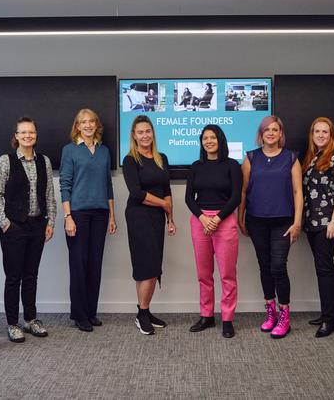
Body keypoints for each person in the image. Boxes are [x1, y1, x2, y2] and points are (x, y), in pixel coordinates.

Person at [238, 115, 303, 339]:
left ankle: (285, 316)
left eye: (275, 130)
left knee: (278, 266)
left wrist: (297, 222)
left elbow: (298, 192)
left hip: (283, 221)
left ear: (280, 134)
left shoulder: (291, 158)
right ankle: (271, 313)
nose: (271, 133)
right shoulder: (251, 158)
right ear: (261, 134)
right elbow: (244, 191)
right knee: (264, 266)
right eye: (267, 130)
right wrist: (240, 217)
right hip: (256, 220)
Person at [0, 117, 56, 343]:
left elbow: (48, 194)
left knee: (31, 275)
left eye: (31, 132)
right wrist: (4, 222)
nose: (28, 136)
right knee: (13, 277)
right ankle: (12, 323)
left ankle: (30, 319)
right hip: (14, 226)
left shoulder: (44, 161)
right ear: (16, 136)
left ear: (35, 135)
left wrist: (51, 221)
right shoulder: (5, 161)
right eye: (23, 132)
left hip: (37, 225)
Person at [59, 109, 116, 332]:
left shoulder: (104, 151)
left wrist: (111, 216)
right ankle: (79, 315)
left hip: (100, 214)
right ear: (78, 126)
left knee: (95, 265)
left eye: (92, 121)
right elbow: (65, 184)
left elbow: (108, 185)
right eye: (84, 122)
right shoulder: (70, 150)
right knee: (79, 265)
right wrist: (68, 217)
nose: (88, 125)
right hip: (78, 215)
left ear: (96, 125)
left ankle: (91, 312)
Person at [185, 125, 242, 338]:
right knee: (203, 274)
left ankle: (227, 319)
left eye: (212, 137)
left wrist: (217, 219)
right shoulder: (195, 167)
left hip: (224, 221)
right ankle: (206, 316)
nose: (209, 141)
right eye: (205, 138)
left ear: (220, 140)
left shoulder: (232, 165)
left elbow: (235, 197)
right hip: (200, 221)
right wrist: (203, 218)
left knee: (227, 274)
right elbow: (189, 198)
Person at [122, 115, 176, 335]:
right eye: (140, 132)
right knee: (147, 267)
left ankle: (144, 311)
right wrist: (163, 203)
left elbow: (167, 190)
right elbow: (137, 193)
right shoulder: (130, 160)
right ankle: (142, 314)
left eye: (148, 131)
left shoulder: (161, 158)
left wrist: (170, 219)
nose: (145, 135)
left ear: (153, 133)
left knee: (152, 266)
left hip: (156, 218)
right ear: (134, 136)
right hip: (138, 216)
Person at [302, 117, 334, 338]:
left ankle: (329, 320)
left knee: (325, 269)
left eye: (325, 132)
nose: (321, 135)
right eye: (317, 131)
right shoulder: (313, 158)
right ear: (312, 135)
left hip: (327, 223)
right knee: (322, 268)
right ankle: (327, 313)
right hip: (312, 222)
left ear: (331, 136)